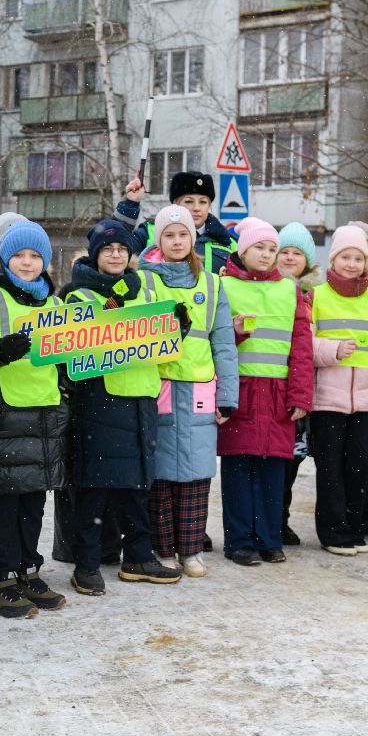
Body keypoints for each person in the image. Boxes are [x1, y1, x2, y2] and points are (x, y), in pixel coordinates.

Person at [0, 220, 73, 618]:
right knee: (1, 505)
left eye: (35, 255)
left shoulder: (57, 307)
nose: (27, 262)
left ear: (46, 262)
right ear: (5, 259)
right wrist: (0, 350)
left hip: (44, 421)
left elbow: (77, 360)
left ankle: (26, 568)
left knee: (32, 503)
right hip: (0, 421)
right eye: (19, 255)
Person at [61, 219, 184, 593]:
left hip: (141, 400)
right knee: (94, 487)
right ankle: (86, 563)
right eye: (108, 249)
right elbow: (70, 353)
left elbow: (165, 343)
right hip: (99, 401)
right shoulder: (78, 296)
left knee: (136, 485)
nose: (116, 255)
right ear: (96, 254)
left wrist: (178, 324)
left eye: (122, 250)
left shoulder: (145, 292)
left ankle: (138, 556)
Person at [137, 205, 239, 577]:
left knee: (197, 474)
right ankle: (163, 549)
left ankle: (191, 550)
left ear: (192, 239)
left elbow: (224, 343)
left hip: (199, 390)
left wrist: (227, 394)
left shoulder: (212, 284)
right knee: (161, 475)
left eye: (182, 235)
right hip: (158, 386)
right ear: (159, 240)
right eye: (168, 235)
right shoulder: (145, 281)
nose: (176, 241)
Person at [218, 219, 313, 565]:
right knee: (239, 469)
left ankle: (270, 538)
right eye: (260, 247)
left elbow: (301, 347)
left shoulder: (289, 290)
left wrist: (301, 396)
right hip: (240, 393)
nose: (267, 254)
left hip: (277, 395)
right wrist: (234, 331)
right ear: (242, 250)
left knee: (274, 471)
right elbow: (217, 342)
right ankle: (239, 541)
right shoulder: (223, 286)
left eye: (272, 249)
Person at [309, 225, 368, 556]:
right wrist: (331, 350)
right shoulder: (317, 296)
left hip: (366, 400)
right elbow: (304, 345)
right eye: (345, 257)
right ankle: (334, 532)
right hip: (326, 401)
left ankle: (353, 524)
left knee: (365, 465)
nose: (352, 264)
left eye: (358, 258)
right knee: (331, 468)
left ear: (367, 262)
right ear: (333, 259)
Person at [276, 221, 322, 543]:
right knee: (270, 460)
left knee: (293, 460)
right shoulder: (268, 287)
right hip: (273, 383)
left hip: (304, 387)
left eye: (297, 253)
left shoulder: (316, 295)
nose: (290, 258)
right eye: (284, 251)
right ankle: (268, 518)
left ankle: (282, 517)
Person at [117, 170, 237, 273]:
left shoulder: (228, 241)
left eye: (203, 202)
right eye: (189, 201)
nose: (197, 208)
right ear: (175, 204)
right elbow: (113, 243)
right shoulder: (149, 232)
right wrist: (130, 204)